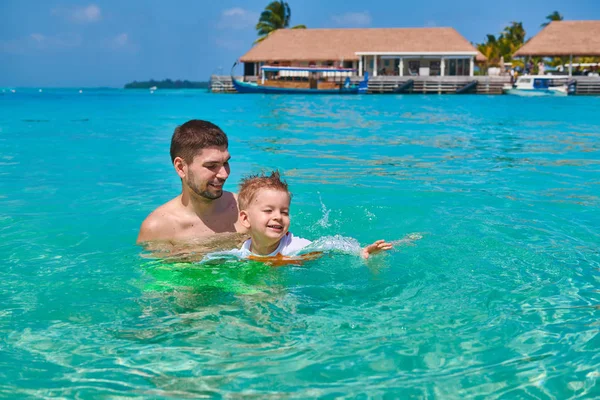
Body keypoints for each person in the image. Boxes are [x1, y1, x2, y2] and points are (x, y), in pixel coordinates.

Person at [213, 171, 393, 262]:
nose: (278, 217)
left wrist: (361, 251)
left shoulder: (294, 247)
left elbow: (330, 244)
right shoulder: (242, 252)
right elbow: (216, 258)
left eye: (284, 212)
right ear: (245, 219)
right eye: (268, 211)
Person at [137, 120, 245, 245]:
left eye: (225, 163)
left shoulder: (246, 210)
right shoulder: (158, 229)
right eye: (211, 165)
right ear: (181, 167)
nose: (224, 174)